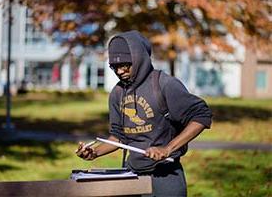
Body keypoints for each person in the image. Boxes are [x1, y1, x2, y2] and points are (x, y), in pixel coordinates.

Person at [76, 30, 212, 196]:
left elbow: (202, 115)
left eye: (124, 64)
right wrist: (95, 152)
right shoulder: (117, 93)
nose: (119, 71)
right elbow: (119, 137)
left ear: (138, 57)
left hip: (166, 176)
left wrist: (168, 148)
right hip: (132, 176)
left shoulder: (164, 84)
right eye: (115, 66)